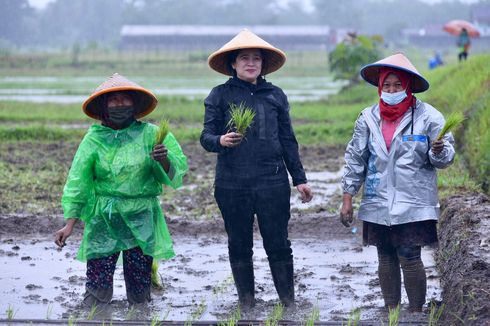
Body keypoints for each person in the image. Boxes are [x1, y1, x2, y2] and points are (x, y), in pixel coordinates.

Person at [200, 29, 313, 308]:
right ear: (233, 64)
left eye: (256, 59)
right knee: (239, 242)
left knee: (278, 242)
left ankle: (288, 301)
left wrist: (300, 179)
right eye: (244, 58)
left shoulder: (275, 95)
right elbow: (205, 137)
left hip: (271, 181)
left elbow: (288, 140)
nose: (251, 63)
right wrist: (221, 140)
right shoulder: (220, 95)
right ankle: (247, 302)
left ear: (263, 65)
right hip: (232, 183)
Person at [54, 73, 188, 306]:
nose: (120, 104)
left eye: (125, 99)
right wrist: (70, 223)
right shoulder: (94, 139)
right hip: (104, 218)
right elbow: (78, 182)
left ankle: (140, 316)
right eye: (113, 100)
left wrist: (163, 160)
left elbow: (175, 174)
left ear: (135, 104)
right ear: (103, 107)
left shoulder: (152, 135)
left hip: (141, 216)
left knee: (139, 290)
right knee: (96, 288)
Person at [339, 53, 455, 312]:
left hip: (413, 200)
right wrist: (347, 196)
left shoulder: (429, 117)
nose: (391, 90)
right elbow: (356, 158)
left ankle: (415, 311)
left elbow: (445, 158)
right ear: (380, 87)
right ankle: (391, 309)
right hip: (377, 199)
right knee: (385, 255)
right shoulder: (368, 118)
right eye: (387, 85)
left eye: (397, 85)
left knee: (410, 255)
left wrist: (437, 151)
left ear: (408, 86)